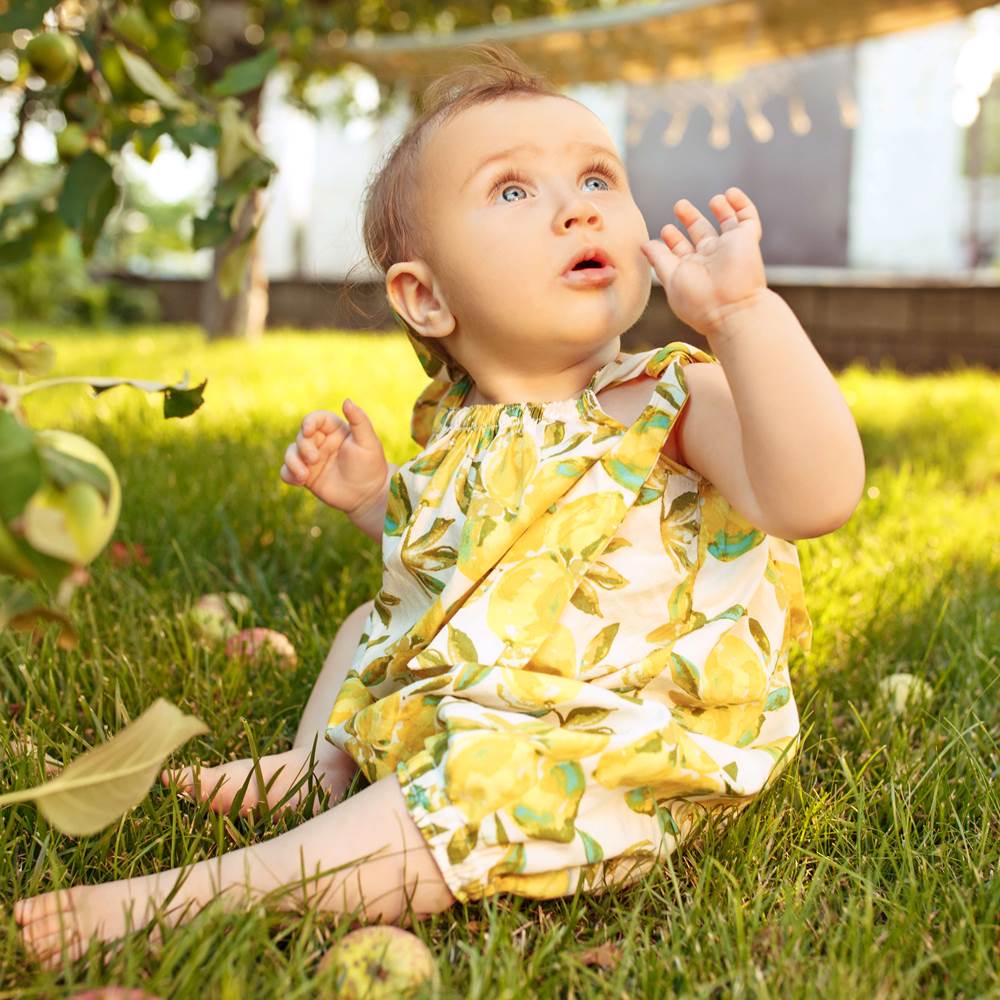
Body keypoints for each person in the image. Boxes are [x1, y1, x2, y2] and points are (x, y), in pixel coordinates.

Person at [14, 41, 865, 966]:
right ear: (425, 298)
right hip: (481, 692)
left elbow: (814, 494)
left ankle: (198, 897)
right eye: (513, 191)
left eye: (596, 177)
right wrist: (378, 499)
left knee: (486, 784)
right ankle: (313, 769)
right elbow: (461, 571)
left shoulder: (670, 399)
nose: (577, 205)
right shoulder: (458, 428)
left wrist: (746, 320)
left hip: (616, 727)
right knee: (368, 625)